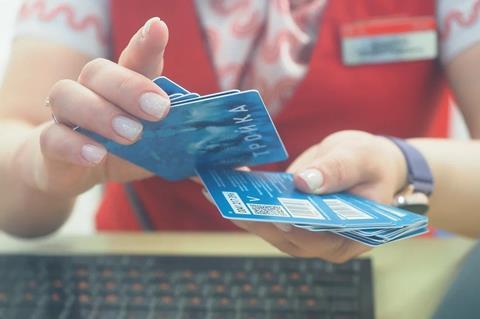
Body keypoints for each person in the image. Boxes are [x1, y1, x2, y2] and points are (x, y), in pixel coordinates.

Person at [0, 0, 479, 263]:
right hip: (155, 275)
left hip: (390, 272)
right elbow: (13, 132)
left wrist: (407, 168)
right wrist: (41, 168)